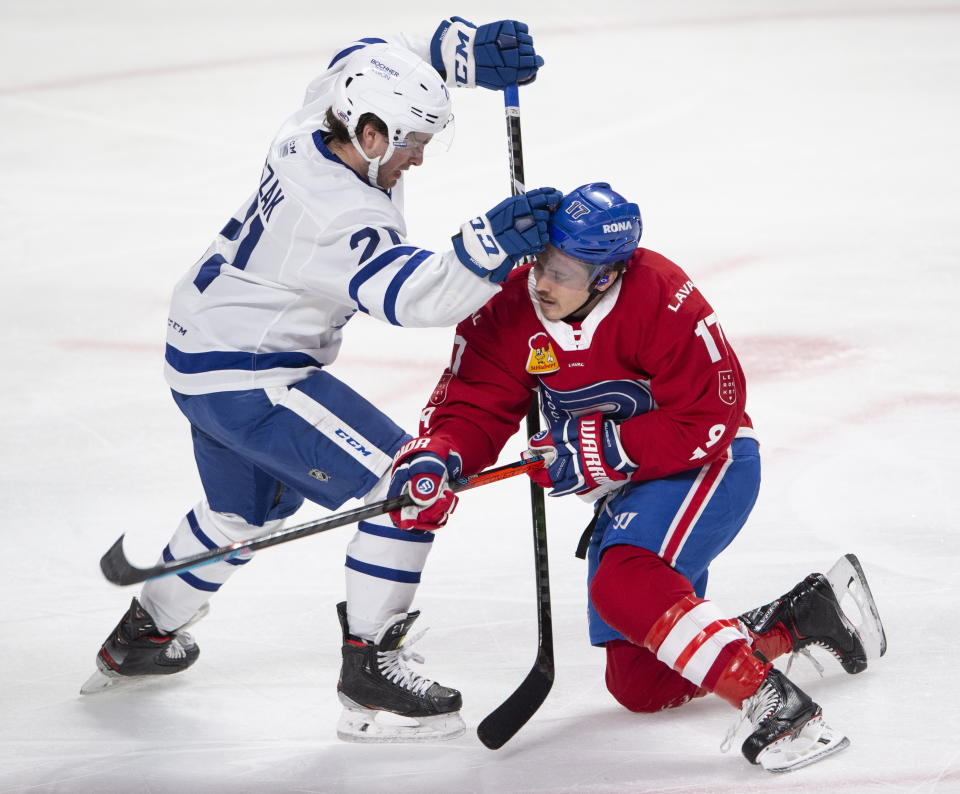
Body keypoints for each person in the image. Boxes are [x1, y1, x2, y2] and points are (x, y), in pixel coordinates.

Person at [81, 18, 563, 744]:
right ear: (370, 135)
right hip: (249, 375)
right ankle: (370, 674)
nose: (419, 161)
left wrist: (458, 54)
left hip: (198, 354)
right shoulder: (340, 214)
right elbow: (413, 298)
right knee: (410, 483)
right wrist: (489, 245)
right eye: (411, 145)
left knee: (240, 516)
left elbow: (372, 47)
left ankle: (143, 637)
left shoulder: (318, 115)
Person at [386, 183, 887, 770]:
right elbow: (476, 399)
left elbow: (711, 416)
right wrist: (442, 453)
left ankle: (780, 710)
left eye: (563, 273)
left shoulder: (664, 298)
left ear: (605, 276)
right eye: (541, 261)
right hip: (629, 487)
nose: (543, 282)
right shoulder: (510, 303)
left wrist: (605, 450)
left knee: (622, 582)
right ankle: (801, 620)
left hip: (707, 465)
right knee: (641, 687)